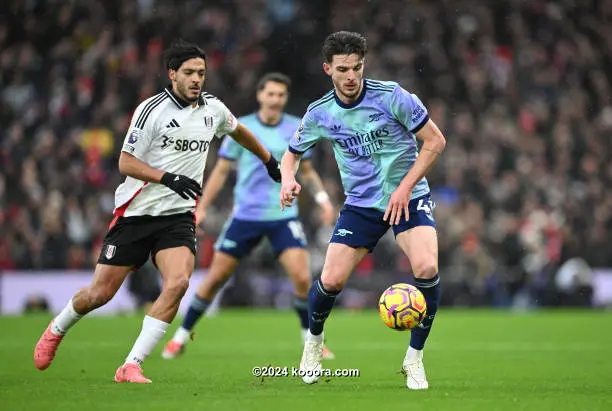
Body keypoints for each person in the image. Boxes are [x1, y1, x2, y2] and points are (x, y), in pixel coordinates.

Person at [33, 41, 282, 383]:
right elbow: (125, 162)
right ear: (172, 74)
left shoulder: (213, 109)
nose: (197, 79)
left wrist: (269, 160)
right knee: (100, 294)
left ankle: (131, 364)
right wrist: (167, 177)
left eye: (202, 73)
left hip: (178, 216)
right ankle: (56, 329)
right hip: (137, 212)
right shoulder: (152, 110)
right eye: (190, 73)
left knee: (179, 282)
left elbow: (239, 132)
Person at [280, 31, 447, 389]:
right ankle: (313, 343)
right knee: (331, 280)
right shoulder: (320, 112)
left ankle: (414, 358)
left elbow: (435, 140)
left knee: (427, 267)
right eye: (342, 69)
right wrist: (286, 180)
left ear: (363, 65)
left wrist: (404, 187)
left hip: (410, 197)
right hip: (361, 205)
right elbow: (292, 153)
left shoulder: (393, 97)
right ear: (328, 69)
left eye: (356, 67)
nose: (351, 76)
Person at [162, 73, 336, 360]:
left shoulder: (296, 127)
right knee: (215, 278)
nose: (275, 100)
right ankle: (181, 336)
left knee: (303, 279)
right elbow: (220, 170)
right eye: (271, 94)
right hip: (245, 216)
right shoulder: (242, 127)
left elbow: (305, 171)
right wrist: (202, 206)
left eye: (281, 95)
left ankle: (311, 341)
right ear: (260, 96)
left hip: (283, 216)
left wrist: (322, 199)